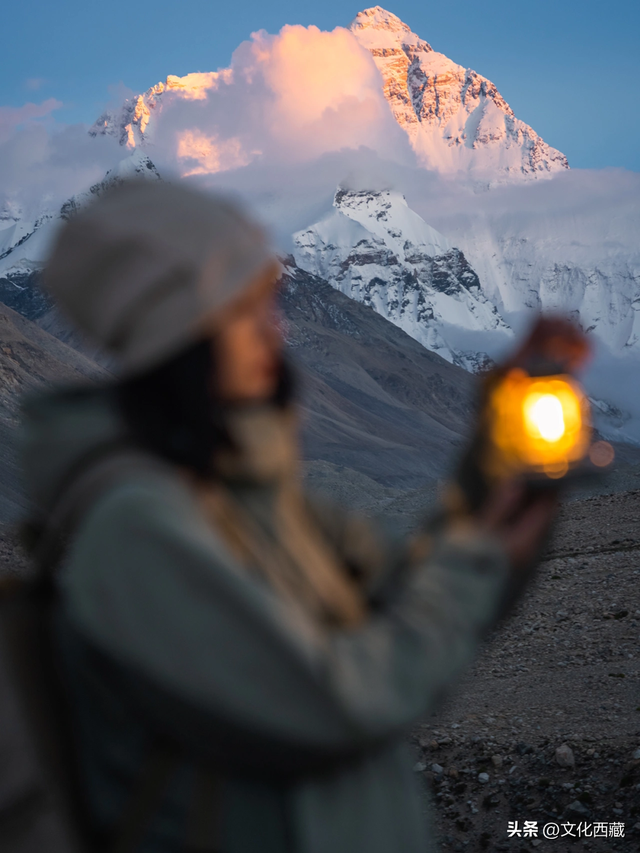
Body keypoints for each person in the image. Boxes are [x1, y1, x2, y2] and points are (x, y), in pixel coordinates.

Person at [20, 179, 560, 853]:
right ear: (183, 331)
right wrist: (474, 560)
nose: (277, 328)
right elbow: (342, 702)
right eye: (249, 310)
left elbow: (408, 603)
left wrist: (498, 464)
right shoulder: (137, 529)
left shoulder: (241, 500)